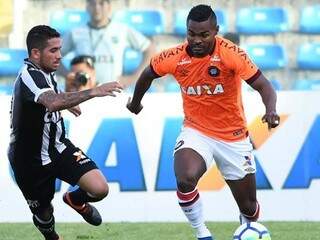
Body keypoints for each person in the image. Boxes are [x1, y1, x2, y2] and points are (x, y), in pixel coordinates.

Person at [127, 5, 280, 240]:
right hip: (196, 131)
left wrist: (271, 110)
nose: (196, 40)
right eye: (191, 33)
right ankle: (202, 234)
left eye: (203, 35)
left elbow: (264, 85)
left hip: (234, 136)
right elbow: (148, 74)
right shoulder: (174, 57)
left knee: (249, 207)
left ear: (216, 31)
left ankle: (247, 224)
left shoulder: (231, 54)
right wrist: (135, 103)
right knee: (185, 177)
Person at [8, 25, 123, 240]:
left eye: (60, 49)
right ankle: (51, 236)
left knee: (99, 188)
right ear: (35, 53)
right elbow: (51, 102)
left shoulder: (44, 72)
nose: (60, 56)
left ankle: (75, 200)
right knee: (44, 214)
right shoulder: (28, 75)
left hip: (58, 146)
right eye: (53, 51)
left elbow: (51, 94)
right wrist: (94, 91)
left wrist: (65, 100)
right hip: (29, 161)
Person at [61, 0, 154, 88]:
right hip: (85, 92)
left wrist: (134, 77)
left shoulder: (121, 30)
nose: (97, 8)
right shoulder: (76, 32)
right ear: (87, 7)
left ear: (109, 7)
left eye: (101, 3)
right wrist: (68, 75)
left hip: (113, 92)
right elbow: (54, 56)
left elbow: (150, 50)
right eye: (93, 3)